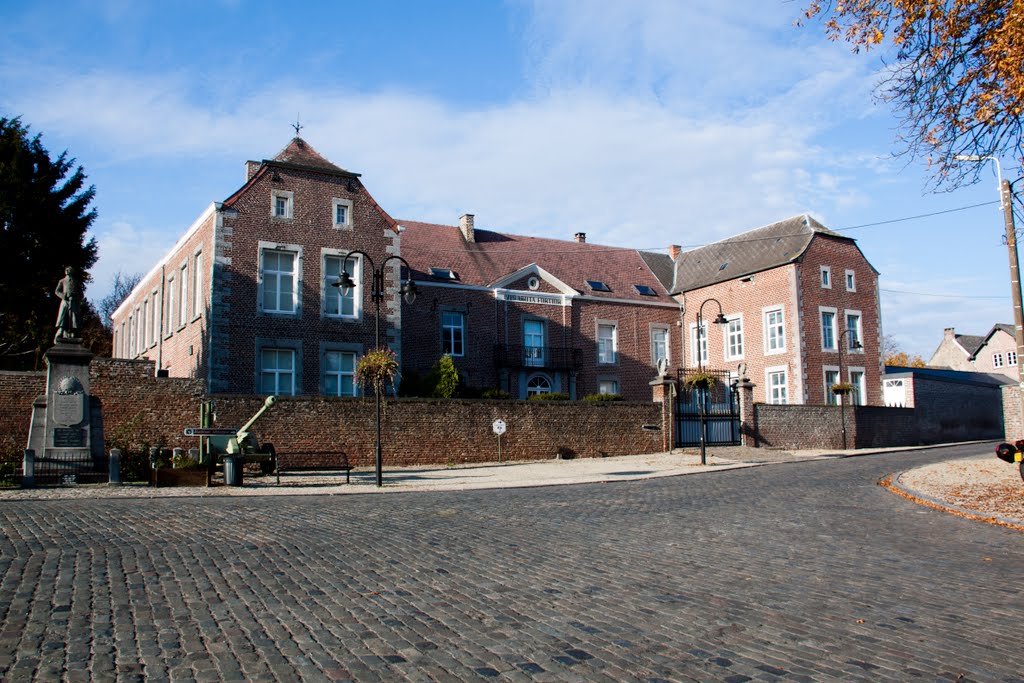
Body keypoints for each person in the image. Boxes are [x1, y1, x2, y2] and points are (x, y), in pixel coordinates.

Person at [54, 266, 81, 343]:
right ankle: (60, 331)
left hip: (73, 302)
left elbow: (81, 294)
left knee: (73, 317)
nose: (67, 271)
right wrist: (64, 295)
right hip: (65, 302)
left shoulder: (76, 282)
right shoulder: (62, 281)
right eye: (66, 270)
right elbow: (57, 291)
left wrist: (75, 296)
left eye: (69, 270)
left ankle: (73, 332)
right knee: (63, 316)